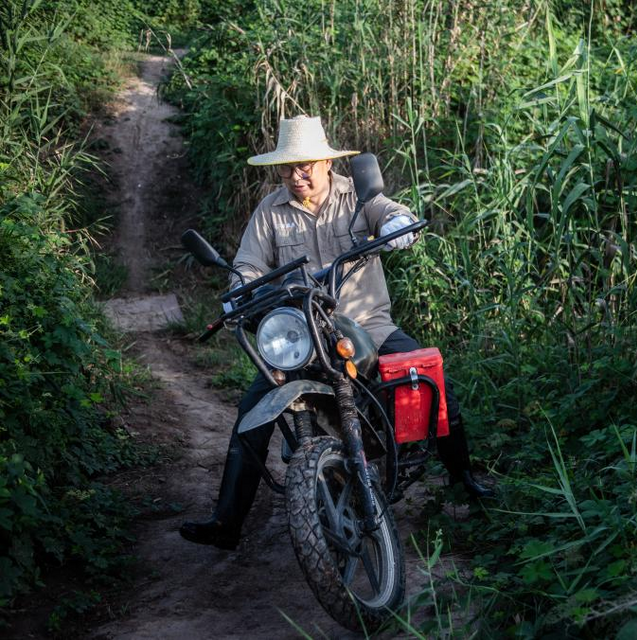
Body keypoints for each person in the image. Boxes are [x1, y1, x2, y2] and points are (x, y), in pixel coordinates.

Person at [180, 115, 492, 551]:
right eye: (288, 167)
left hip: (369, 326)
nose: (297, 175)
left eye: (306, 165)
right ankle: (226, 521)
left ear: (327, 162)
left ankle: (465, 480)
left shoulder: (358, 196)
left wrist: (397, 225)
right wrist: (238, 289)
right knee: (252, 413)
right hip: (303, 336)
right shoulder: (270, 211)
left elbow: (388, 210)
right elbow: (249, 264)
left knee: (432, 382)